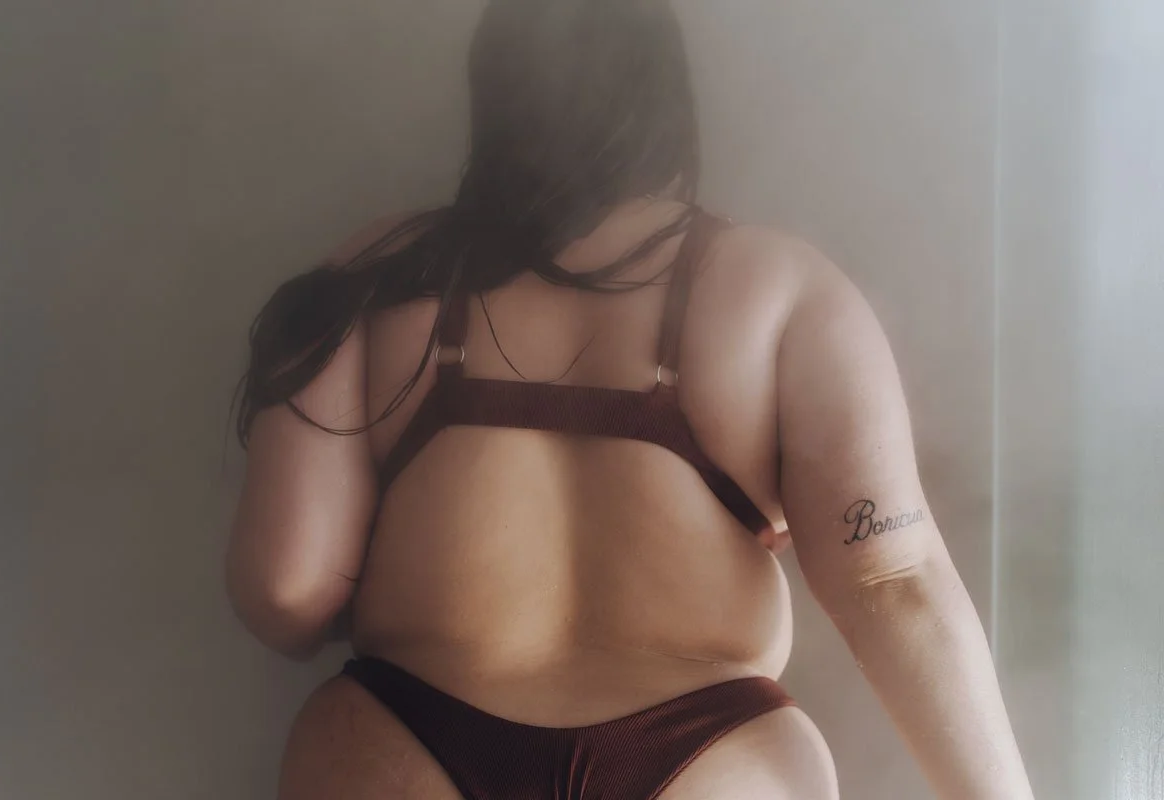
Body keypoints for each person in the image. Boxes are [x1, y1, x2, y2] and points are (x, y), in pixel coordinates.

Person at [227, 1, 1034, 797]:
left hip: (404, 744)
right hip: (711, 759)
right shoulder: (775, 287)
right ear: (667, 101)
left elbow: (285, 592)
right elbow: (892, 581)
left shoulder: (374, 277)